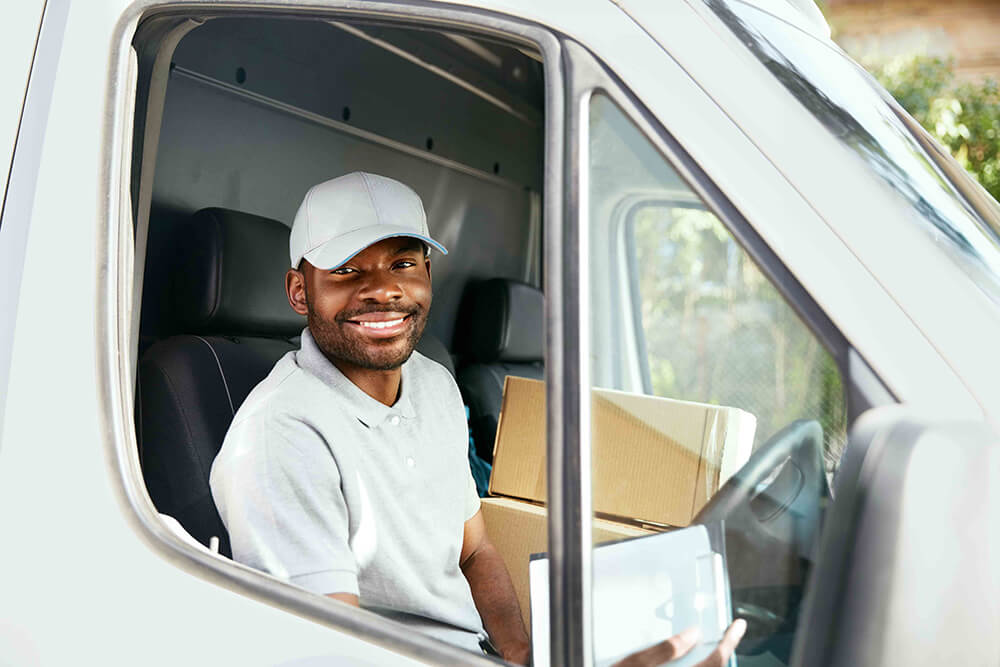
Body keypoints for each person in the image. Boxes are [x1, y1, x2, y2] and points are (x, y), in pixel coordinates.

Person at [211, 171, 743, 666]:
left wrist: (520, 655)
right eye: (348, 270)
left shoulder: (433, 382)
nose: (383, 289)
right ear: (300, 292)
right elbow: (334, 650)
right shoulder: (282, 431)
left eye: (403, 264)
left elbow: (476, 548)